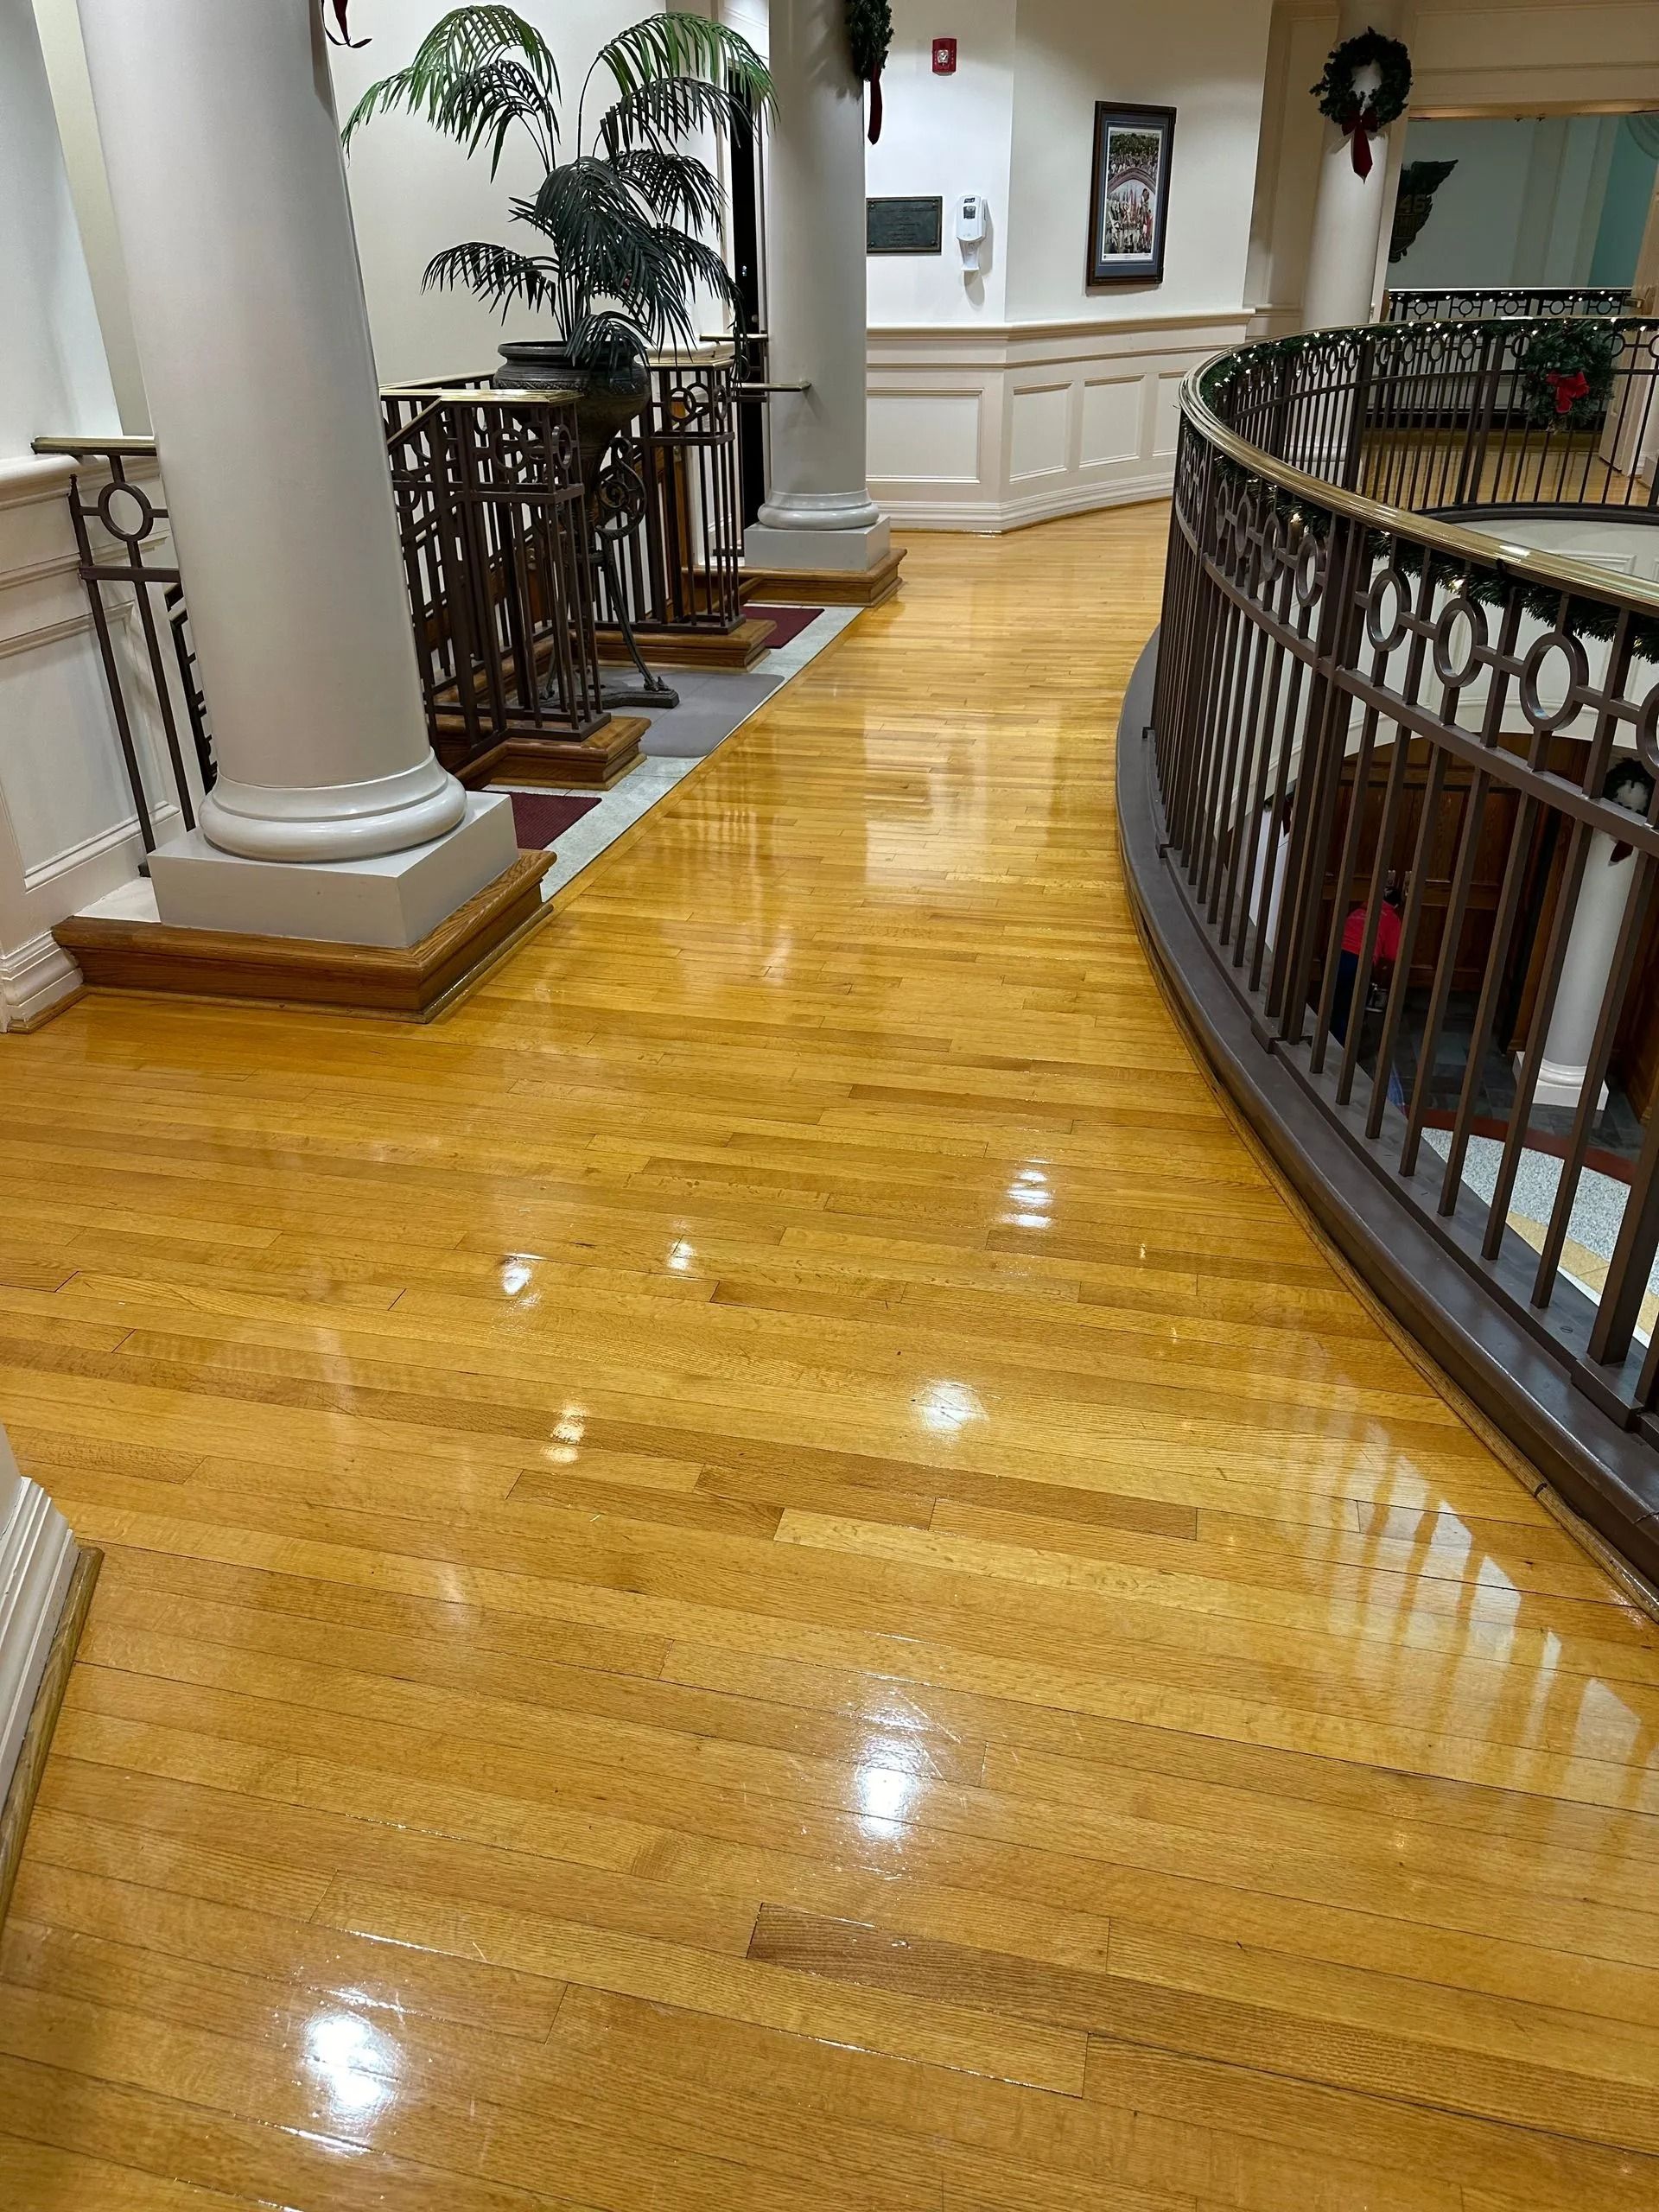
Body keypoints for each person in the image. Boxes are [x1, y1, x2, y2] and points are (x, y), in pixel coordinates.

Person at [1331, 882, 1403, 1045]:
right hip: (1359, 960)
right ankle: (1339, 1046)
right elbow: (1393, 953)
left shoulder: (1359, 911)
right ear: (1396, 905)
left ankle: (1326, 1038)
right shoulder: (1392, 919)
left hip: (1335, 955)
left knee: (1334, 999)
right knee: (1350, 1006)